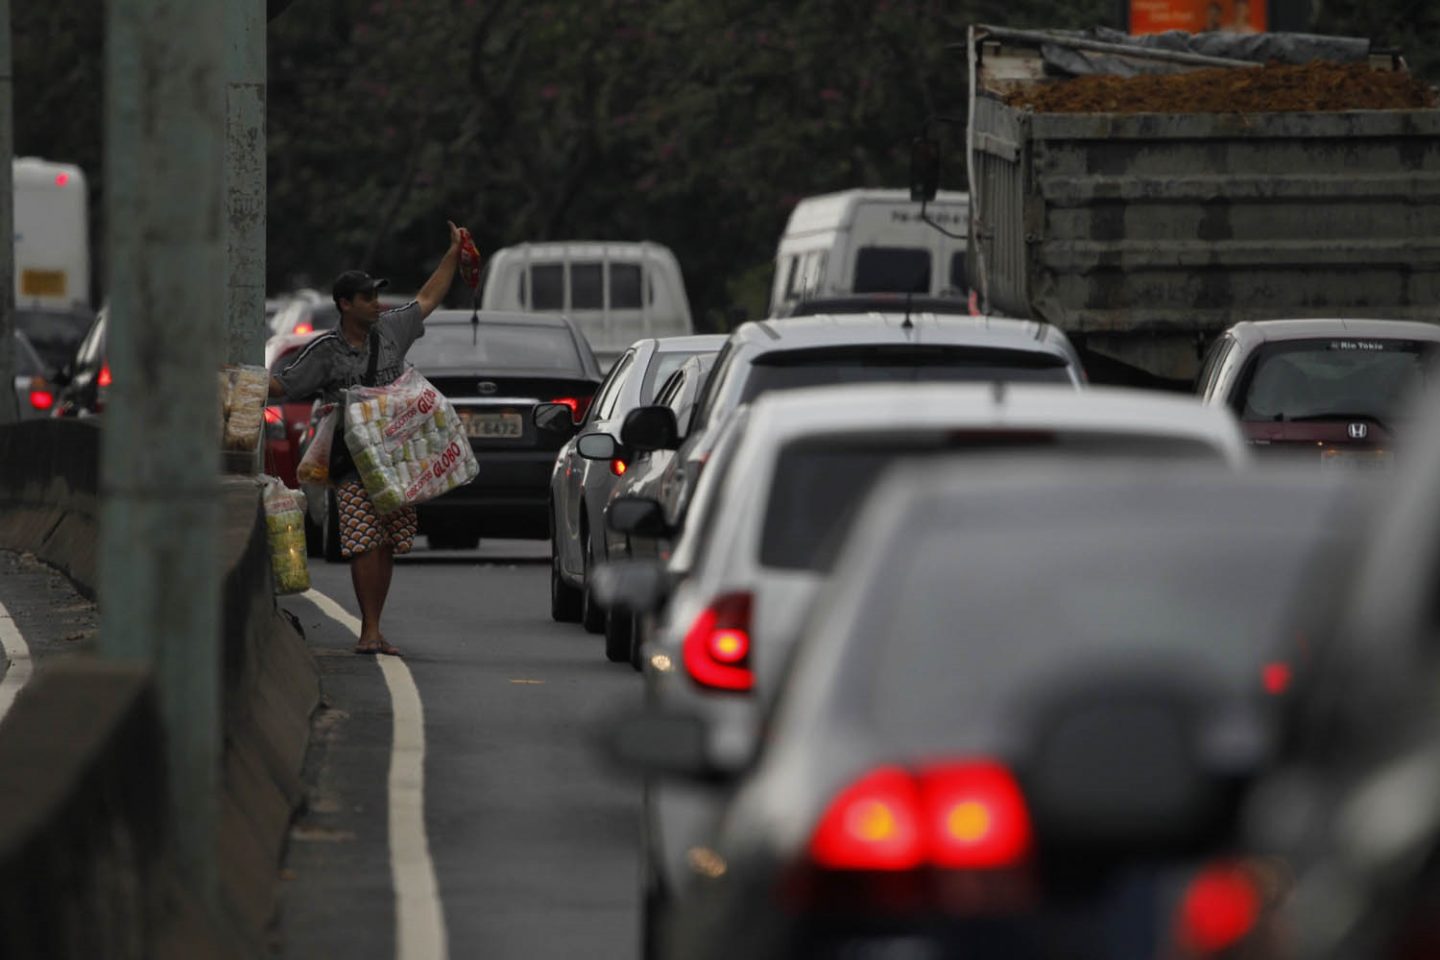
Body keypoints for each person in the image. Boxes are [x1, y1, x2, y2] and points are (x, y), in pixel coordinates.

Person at [269, 220, 465, 655]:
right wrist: (237, 384)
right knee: (363, 539)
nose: (377, 304)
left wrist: (452, 253)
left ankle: (375, 625)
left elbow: (429, 296)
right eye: (367, 298)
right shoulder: (324, 352)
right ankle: (369, 631)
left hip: (399, 458)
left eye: (377, 296)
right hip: (351, 461)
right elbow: (285, 386)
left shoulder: (393, 330)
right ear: (345, 304)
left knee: (389, 542)